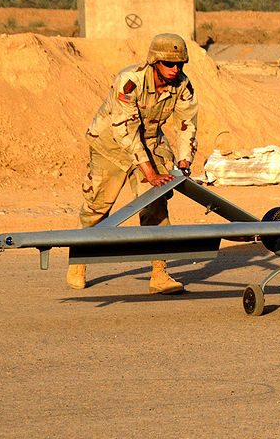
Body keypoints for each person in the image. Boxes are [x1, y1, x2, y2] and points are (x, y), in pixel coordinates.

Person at [66, 33, 198, 294]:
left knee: (155, 205)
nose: (175, 69)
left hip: (149, 142)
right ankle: (79, 260)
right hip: (111, 145)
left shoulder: (183, 85)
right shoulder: (129, 81)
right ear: (154, 61)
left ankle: (159, 274)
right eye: (169, 64)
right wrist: (149, 172)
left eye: (180, 64)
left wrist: (184, 164)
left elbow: (186, 124)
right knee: (97, 207)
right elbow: (124, 130)